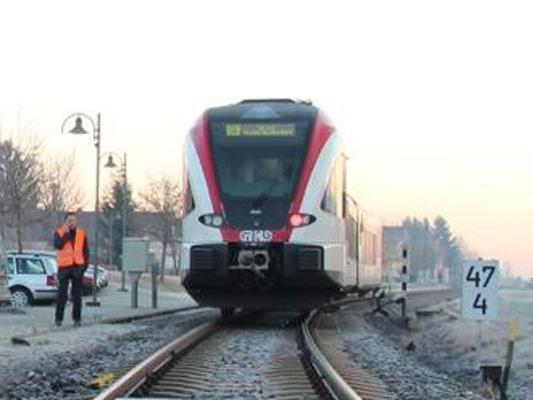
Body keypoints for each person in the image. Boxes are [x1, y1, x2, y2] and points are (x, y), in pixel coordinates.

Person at [53, 212, 89, 327]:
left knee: (77, 295)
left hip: (77, 267)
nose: (71, 223)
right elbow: (58, 245)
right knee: (61, 295)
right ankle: (59, 319)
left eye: (73, 220)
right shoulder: (59, 233)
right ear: (65, 222)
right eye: (69, 220)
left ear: (76, 221)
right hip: (64, 267)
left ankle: (77, 319)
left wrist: (84, 267)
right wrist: (66, 234)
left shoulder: (81, 234)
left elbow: (86, 252)